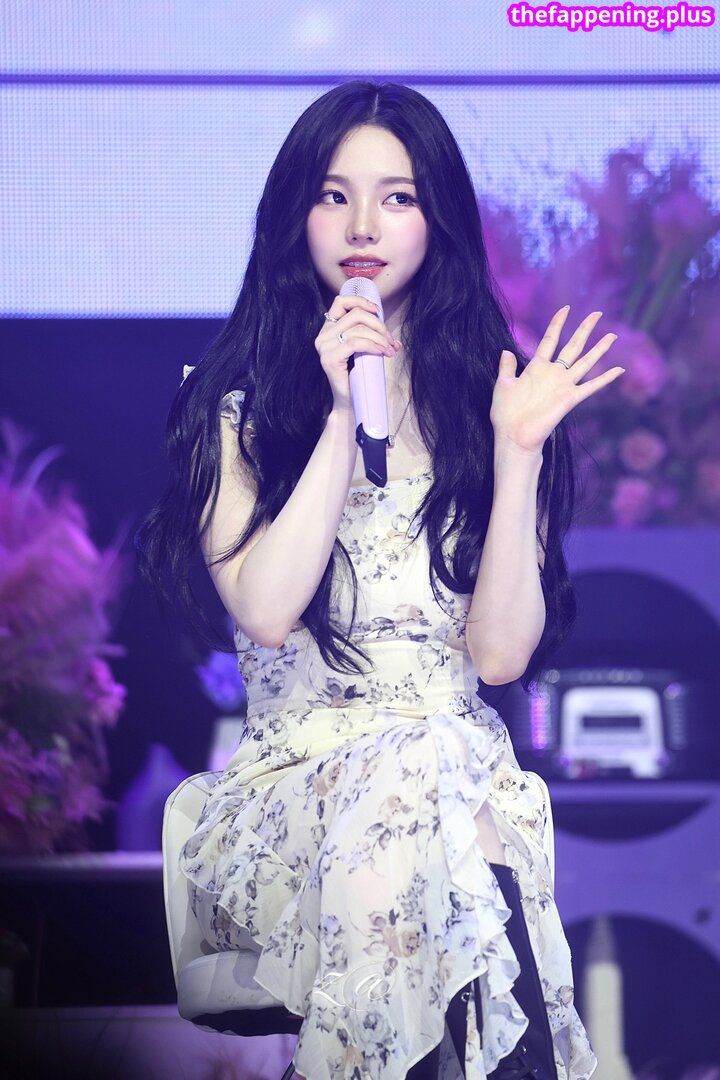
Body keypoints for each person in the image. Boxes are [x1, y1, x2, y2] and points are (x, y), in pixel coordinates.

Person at [139, 81, 623, 1080]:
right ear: (296, 216)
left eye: (397, 197)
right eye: (335, 195)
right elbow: (266, 609)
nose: (364, 225)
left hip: (448, 785)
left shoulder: (495, 406)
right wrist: (336, 415)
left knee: (445, 789)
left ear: (435, 219)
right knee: (428, 789)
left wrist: (519, 453)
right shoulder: (226, 412)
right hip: (296, 791)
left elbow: (500, 655)